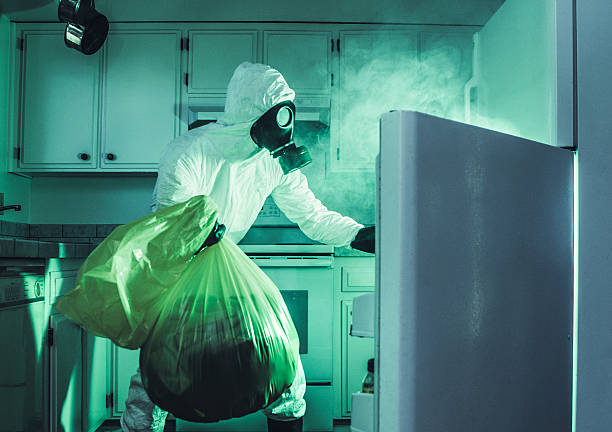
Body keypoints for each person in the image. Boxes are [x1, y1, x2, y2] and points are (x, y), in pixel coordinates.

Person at [120, 61, 374, 432]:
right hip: (178, 273)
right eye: (278, 115)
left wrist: (358, 234)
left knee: (283, 365)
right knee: (158, 376)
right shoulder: (188, 152)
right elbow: (167, 221)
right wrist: (197, 228)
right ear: (252, 114)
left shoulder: (272, 162)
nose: (284, 127)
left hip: (225, 267)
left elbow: (312, 216)